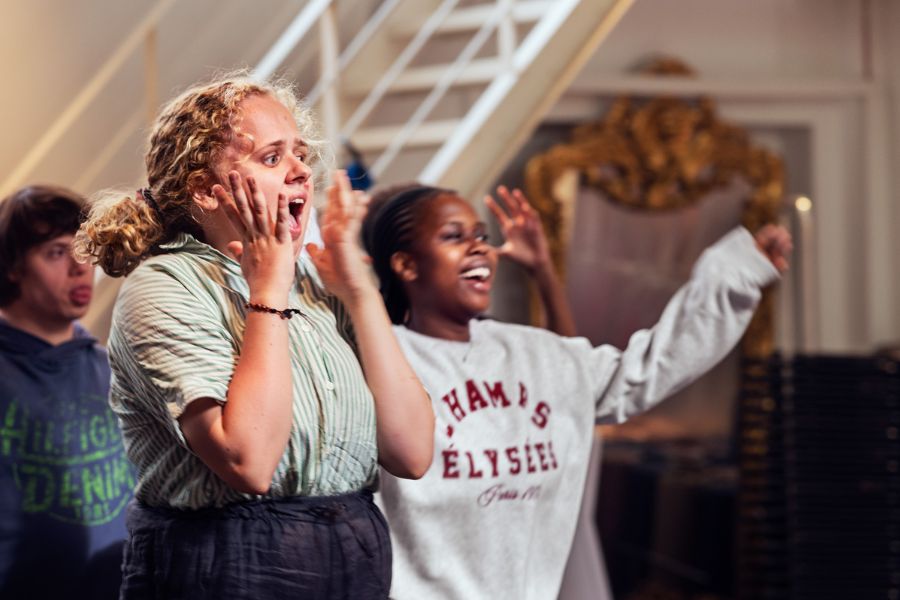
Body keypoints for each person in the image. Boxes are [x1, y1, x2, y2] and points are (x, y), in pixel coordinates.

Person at [75, 73, 434, 600]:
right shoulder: (163, 286)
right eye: (272, 157)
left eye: (301, 155)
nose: (301, 171)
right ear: (205, 190)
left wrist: (359, 292)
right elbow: (249, 460)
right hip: (225, 566)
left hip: (352, 560)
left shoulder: (315, 284)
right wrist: (268, 289)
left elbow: (412, 452)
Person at [361, 183, 792, 600]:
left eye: (482, 236)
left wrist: (732, 276)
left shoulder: (534, 352)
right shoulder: (384, 361)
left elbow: (653, 365)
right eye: (454, 237)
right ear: (406, 265)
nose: (479, 248)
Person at [0, 185, 134, 599]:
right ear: (13, 267)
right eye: (57, 252)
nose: (80, 267)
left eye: (83, 249)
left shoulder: (108, 365)